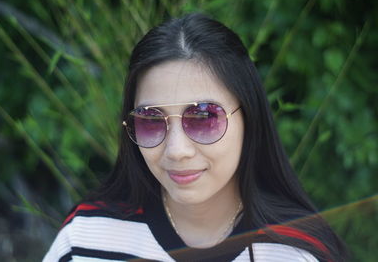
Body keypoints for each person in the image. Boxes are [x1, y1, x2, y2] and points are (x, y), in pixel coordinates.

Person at [43, 13, 348, 262]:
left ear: (249, 118)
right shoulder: (86, 237)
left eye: (203, 117)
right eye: (151, 121)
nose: (176, 150)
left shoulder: (296, 254)